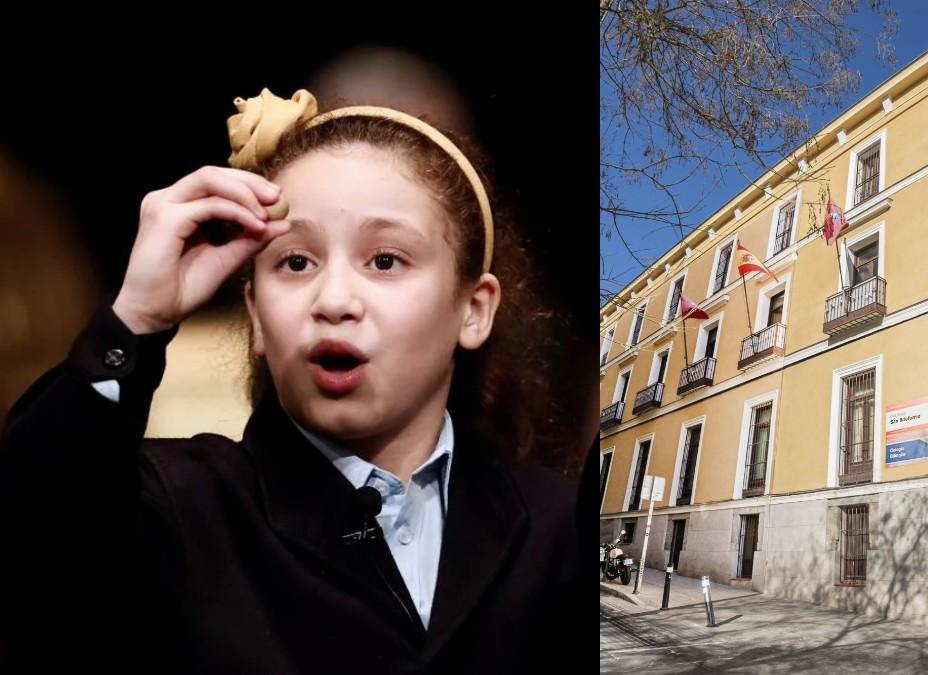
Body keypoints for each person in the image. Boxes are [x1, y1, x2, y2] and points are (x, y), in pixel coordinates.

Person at [0, 88, 590, 673]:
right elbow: (32, 528)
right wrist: (135, 318)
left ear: (474, 309)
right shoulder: (178, 509)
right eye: (296, 262)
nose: (333, 301)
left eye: (385, 260)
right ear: (256, 313)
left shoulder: (558, 530)